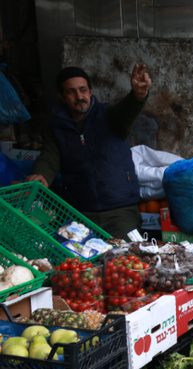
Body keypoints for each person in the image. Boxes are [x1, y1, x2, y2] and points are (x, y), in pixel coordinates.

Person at [27, 65, 150, 239]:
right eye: (71, 92)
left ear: (91, 91)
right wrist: (41, 175)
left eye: (83, 90)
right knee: (81, 262)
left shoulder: (109, 116)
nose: (79, 97)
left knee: (124, 258)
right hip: (81, 213)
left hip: (119, 211)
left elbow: (127, 111)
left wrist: (137, 95)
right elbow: (49, 156)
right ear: (61, 97)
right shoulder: (57, 127)